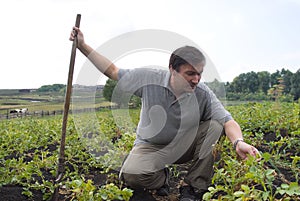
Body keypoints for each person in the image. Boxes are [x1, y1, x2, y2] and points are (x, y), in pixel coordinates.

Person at [70, 27, 260, 201]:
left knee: (215, 126)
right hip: (150, 146)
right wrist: (83, 46)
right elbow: (112, 71)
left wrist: (238, 142)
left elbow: (228, 121)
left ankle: (192, 186)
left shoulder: (202, 93)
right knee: (132, 175)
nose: (196, 79)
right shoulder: (148, 78)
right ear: (172, 70)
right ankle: (161, 178)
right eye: (190, 73)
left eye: (199, 73)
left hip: (184, 146)